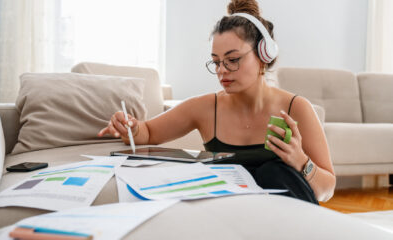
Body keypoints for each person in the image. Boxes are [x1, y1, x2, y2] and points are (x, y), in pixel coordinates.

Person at [98, 0, 336, 203]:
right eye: (216, 62)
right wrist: (130, 127)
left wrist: (301, 161)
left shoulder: (297, 109)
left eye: (232, 60)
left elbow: (327, 190)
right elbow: (148, 133)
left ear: (263, 56)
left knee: (275, 172)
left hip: (284, 219)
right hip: (229, 215)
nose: (222, 70)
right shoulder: (204, 108)